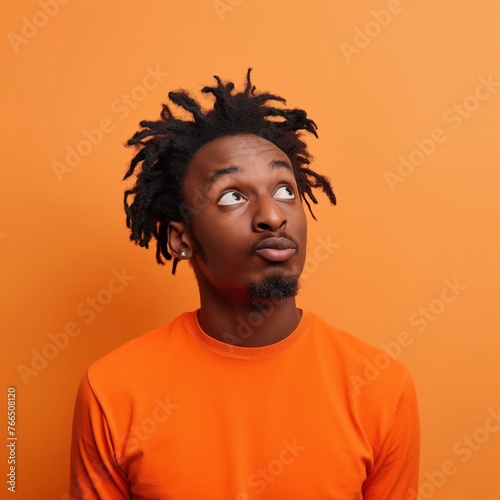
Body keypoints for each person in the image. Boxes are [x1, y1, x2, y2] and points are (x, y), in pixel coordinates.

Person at [69, 69, 420, 499]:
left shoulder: (381, 389)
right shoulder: (112, 391)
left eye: (285, 190)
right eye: (233, 196)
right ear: (182, 239)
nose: (273, 216)